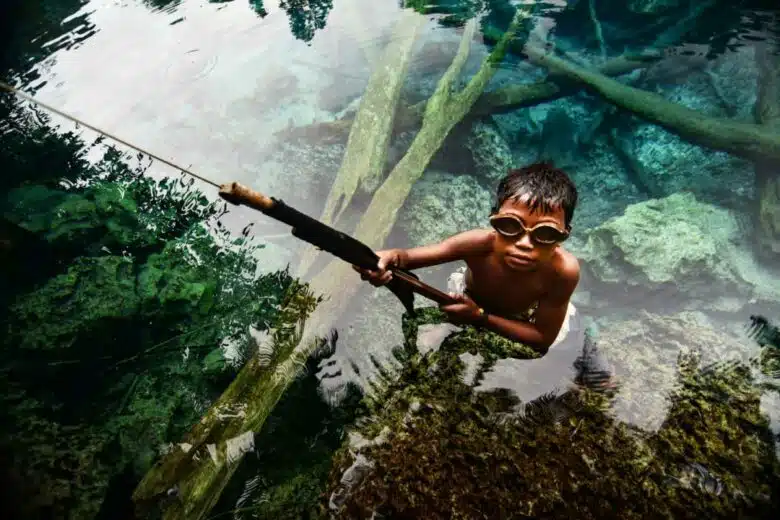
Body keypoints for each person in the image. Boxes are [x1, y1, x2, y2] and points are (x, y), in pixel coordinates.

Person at [354, 162, 580, 355]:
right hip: (468, 295)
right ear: (494, 219)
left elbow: (541, 337)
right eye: (510, 225)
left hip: (525, 316)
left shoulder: (562, 271)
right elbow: (404, 258)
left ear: (564, 235)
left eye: (546, 233)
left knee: (569, 348)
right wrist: (380, 261)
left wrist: (480, 317)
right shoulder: (478, 245)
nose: (524, 244)